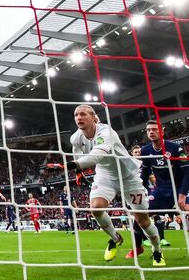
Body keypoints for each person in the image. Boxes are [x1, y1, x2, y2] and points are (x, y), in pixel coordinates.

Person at [68, 105, 164, 266]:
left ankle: (157, 251)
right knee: (96, 208)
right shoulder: (76, 137)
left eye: (83, 114)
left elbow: (95, 157)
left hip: (128, 176)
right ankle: (115, 238)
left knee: (143, 221)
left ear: (93, 117)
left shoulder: (107, 132)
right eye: (76, 114)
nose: (79, 117)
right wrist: (78, 172)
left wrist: (69, 165)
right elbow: (76, 150)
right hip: (105, 176)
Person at [127, 120, 189, 258]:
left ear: (162, 130)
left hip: (180, 188)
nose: (151, 132)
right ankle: (138, 247)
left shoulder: (175, 148)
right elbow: (144, 173)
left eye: (154, 129)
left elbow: (186, 172)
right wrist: (135, 187)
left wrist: (183, 193)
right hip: (161, 191)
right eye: (148, 130)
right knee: (139, 216)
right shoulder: (145, 151)